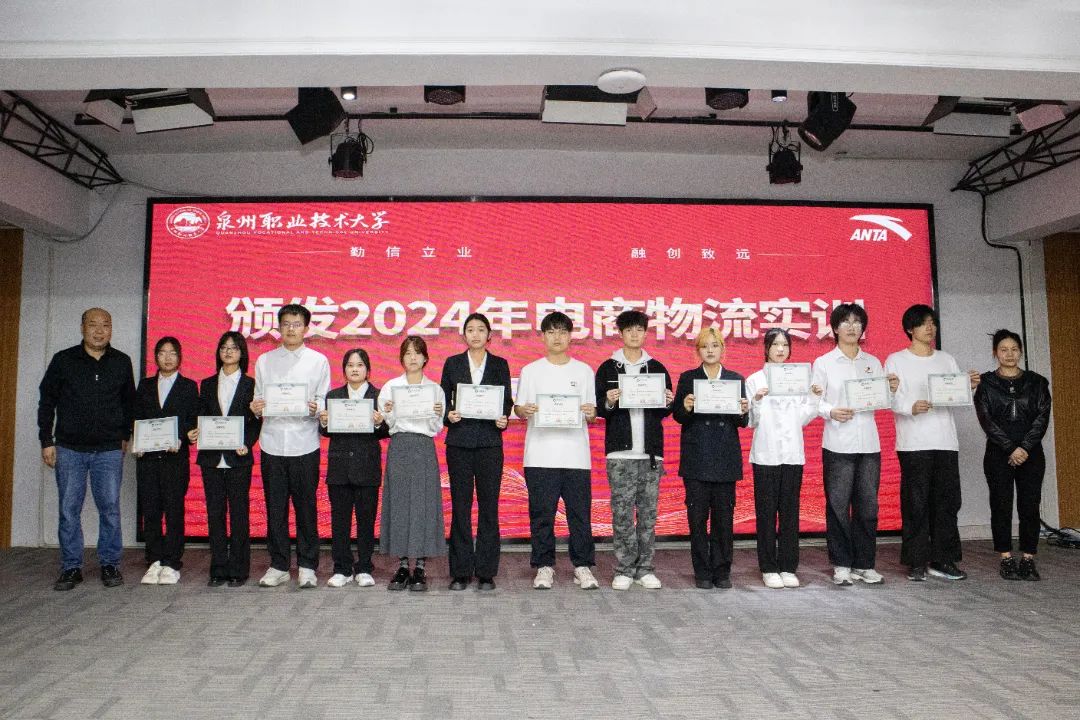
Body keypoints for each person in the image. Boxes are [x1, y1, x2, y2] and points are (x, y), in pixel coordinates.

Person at [38, 308, 136, 591]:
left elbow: (129, 403)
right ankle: (71, 567)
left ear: (111, 329)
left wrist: (125, 435)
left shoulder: (121, 361)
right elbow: (47, 402)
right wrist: (46, 440)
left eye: (106, 325)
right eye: (93, 325)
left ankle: (110, 564)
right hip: (69, 448)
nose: (99, 331)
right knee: (69, 509)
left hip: (108, 449)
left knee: (110, 509)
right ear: (82, 328)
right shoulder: (63, 360)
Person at [885, 304, 980, 582]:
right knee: (916, 503)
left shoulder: (946, 359)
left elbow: (957, 398)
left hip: (945, 441)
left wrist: (968, 387)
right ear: (909, 329)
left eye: (933, 323)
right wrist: (910, 407)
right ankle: (916, 561)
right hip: (913, 443)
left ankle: (943, 559)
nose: (930, 328)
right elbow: (888, 398)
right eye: (923, 323)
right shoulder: (896, 360)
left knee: (947, 502)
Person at [811, 303, 897, 586]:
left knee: (868, 507)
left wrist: (891, 390)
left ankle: (865, 564)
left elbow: (884, 401)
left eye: (857, 322)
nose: (851, 327)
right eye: (845, 322)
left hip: (869, 444)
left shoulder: (872, 362)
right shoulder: (824, 363)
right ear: (835, 328)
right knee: (838, 506)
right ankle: (841, 564)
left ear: (863, 328)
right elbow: (814, 401)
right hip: (838, 443)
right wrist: (830, 411)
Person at [514, 311, 599, 590]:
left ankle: (582, 566)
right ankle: (544, 566)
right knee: (542, 514)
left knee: (579, 515)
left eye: (562, 331)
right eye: (551, 332)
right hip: (540, 455)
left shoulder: (584, 371)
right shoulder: (531, 371)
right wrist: (523, 410)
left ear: (570, 336)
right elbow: (519, 408)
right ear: (543, 337)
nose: (557, 337)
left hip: (576, 456)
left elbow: (592, 412)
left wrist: (590, 413)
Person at [250, 304, 331, 589]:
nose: (291, 329)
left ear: (306, 328)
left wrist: (316, 407)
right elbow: (258, 399)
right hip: (272, 443)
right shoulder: (265, 361)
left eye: (296, 324)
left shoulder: (318, 361)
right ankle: (279, 565)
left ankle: (307, 565)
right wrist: (256, 407)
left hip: (304, 443)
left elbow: (323, 400)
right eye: (286, 324)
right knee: (275, 508)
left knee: (306, 507)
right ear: (278, 327)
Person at [594, 309, 673, 590]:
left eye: (639, 329)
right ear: (621, 333)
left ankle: (646, 569)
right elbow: (599, 408)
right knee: (622, 514)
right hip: (620, 455)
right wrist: (609, 400)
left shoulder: (657, 368)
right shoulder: (608, 368)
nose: (634, 334)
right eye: (629, 330)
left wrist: (668, 401)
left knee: (648, 515)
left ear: (646, 333)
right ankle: (624, 569)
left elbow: (665, 411)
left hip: (650, 454)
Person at [440, 313, 513, 591]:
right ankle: (460, 571)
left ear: (489, 335)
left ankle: (485, 571)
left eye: (481, 330)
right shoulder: (453, 363)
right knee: (460, 506)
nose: (475, 334)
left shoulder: (500, 364)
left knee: (488, 507)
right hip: (459, 443)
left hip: (489, 445)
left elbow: (506, 401)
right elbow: (443, 399)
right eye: (470, 330)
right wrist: (449, 415)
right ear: (464, 335)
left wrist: (503, 418)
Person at [672, 327, 749, 590]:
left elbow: (742, 421)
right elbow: (678, 416)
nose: (710, 350)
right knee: (697, 520)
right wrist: (685, 406)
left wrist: (743, 410)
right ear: (698, 351)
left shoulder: (735, 379)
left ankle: (722, 570)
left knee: (724, 520)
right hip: (697, 459)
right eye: (705, 346)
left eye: (715, 345)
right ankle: (702, 571)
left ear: (722, 349)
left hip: (725, 459)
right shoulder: (688, 378)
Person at [745, 328, 821, 589]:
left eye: (785, 345)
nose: (780, 349)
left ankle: (788, 566)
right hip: (765, 454)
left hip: (792, 454)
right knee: (766, 513)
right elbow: (751, 421)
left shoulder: (797, 379)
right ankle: (768, 567)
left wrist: (813, 397)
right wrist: (756, 400)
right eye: (775, 344)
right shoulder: (755, 380)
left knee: (790, 512)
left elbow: (802, 418)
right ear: (766, 348)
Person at [974, 329, 1052, 581]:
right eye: (1004, 350)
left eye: (1014, 349)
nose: (1010, 354)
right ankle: (1006, 558)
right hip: (998, 452)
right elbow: (986, 419)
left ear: (1021, 352)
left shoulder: (1037, 382)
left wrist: (1025, 447)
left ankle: (1028, 558)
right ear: (995, 353)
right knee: (1001, 505)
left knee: (1030, 505)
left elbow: (1042, 418)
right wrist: (1010, 448)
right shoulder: (986, 383)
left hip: (1031, 453)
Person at [188, 331, 261, 587]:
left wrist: (247, 443)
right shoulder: (207, 384)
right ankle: (218, 568)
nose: (228, 352)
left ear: (242, 353)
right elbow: (201, 415)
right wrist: (193, 431)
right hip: (211, 458)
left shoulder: (251, 384)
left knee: (239, 514)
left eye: (234, 348)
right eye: (224, 348)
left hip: (239, 457)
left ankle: (239, 569)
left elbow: (256, 421)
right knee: (215, 514)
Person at [378, 336, 447, 592]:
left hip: (424, 447)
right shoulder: (391, 387)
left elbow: (436, 427)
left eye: (417, 353)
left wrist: (435, 414)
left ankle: (420, 567)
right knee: (399, 504)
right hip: (399, 446)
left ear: (425, 357)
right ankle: (402, 565)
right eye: (407, 353)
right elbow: (387, 422)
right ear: (401, 358)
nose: (413, 357)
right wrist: (388, 410)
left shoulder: (435, 389)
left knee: (423, 504)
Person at [319, 348, 390, 588]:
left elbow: (387, 431)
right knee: (339, 521)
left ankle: (364, 567)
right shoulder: (333, 396)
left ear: (367, 370)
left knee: (366, 521)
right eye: (350, 365)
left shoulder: (378, 396)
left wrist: (380, 423)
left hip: (367, 468)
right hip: (339, 468)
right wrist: (324, 422)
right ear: (344, 370)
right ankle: (342, 568)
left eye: (359, 365)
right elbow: (326, 431)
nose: (355, 369)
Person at [134, 336, 199, 585]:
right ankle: (154, 560)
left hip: (175, 459)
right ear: (156, 357)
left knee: (174, 511)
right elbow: (137, 418)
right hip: (148, 459)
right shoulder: (145, 386)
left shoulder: (189, 387)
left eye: (172, 353)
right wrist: (138, 441)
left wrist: (182, 436)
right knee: (150, 510)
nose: (167, 358)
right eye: (162, 353)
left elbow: (193, 419)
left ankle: (172, 562)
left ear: (180, 357)